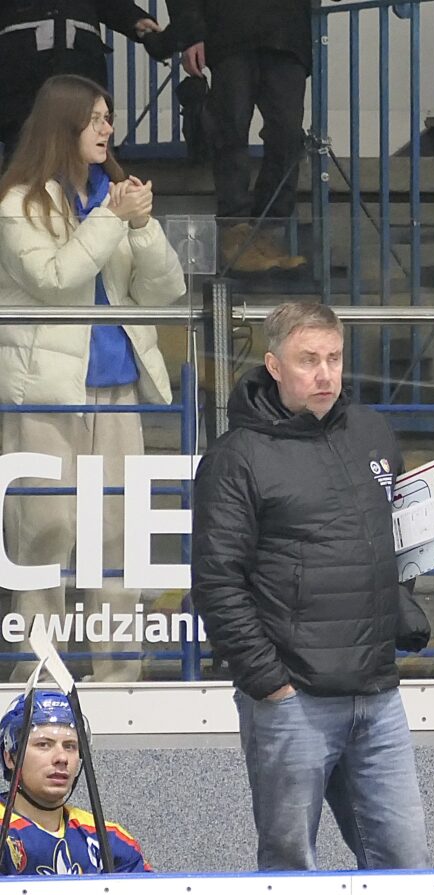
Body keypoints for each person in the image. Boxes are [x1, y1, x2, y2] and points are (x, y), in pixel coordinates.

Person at [191, 300, 433, 871]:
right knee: (290, 870)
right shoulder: (236, 457)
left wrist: (400, 611)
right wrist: (269, 683)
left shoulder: (372, 432)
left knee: (408, 868)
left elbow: (394, 542)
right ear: (274, 366)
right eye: (308, 360)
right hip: (292, 699)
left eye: (334, 358)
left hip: (377, 692)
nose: (325, 373)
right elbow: (217, 581)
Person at [0, 74, 185, 683]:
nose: (108, 128)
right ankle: (38, 681)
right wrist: (111, 218)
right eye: (96, 118)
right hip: (46, 396)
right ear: (64, 124)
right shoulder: (19, 203)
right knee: (44, 533)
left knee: (119, 537)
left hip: (118, 388)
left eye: (109, 117)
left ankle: (119, 678)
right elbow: (55, 280)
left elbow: (164, 291)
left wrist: (142, 226)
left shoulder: (115, 195)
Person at [168, 0, 308, 272]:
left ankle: (266, 231)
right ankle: (236, 232)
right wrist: (191, 34)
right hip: (231, 29)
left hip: (285, 31)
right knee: (230, 129)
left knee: (288, 133)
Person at [0, 689, 149, 874]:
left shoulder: (110, 838)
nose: (62, 758)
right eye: (43, 744)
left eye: (70, 746)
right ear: (10, 758)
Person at [0, 0, 160, 149]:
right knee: (22, 142)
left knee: (85, 140)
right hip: (22, 72)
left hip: (80, 66)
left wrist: (135, 19)